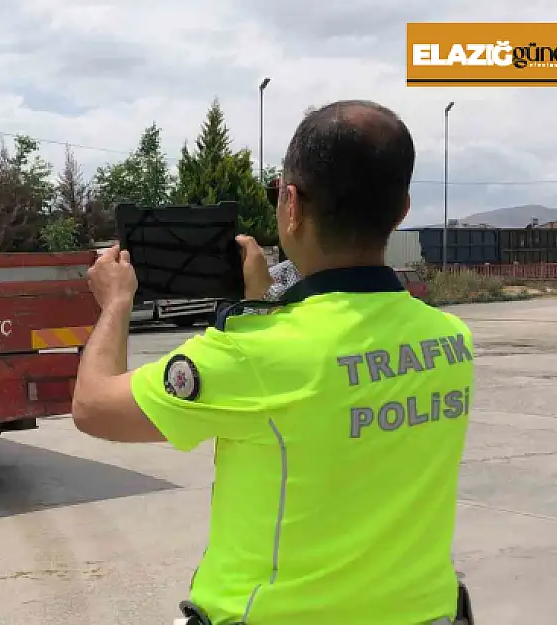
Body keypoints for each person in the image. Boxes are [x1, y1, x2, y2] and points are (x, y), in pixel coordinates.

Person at [71, 100, 474, 625]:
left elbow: (93, 406)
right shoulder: (450, 339)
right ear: (401, 210)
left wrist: (117, 304)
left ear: (291, 205)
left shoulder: (253, 353)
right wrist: (262, 304)